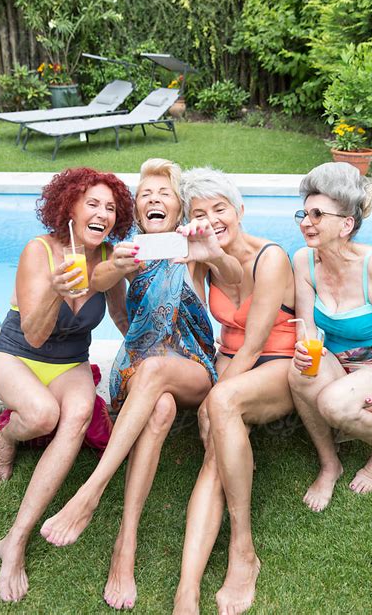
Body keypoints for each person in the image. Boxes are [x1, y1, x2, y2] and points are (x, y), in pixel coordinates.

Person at [39, 158, 242, 611]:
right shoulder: (128, 253)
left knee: (157, 374)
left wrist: (212, 253)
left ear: (179, 208)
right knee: (160, 407)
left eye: (164, 194)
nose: (153, 200)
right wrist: (118, 266)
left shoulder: (193, 245)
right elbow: (102, 285)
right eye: (145, 194)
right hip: (140, 366)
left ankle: (90, 492)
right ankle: (124, 545)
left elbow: (236, 279)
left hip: (189, 365)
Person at [0, 167, 134, 603]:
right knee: (39, 416)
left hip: (69, 360)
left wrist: (150, 347)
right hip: (18, 355)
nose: (102, 214)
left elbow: (122, 319)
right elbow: (32, 334)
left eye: (110, 208)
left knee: (75, 416)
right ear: (68, 206)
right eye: (92, 203)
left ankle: (14, 539)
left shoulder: (108, 258)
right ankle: (9, 437)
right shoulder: (41, 251)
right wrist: (54, 290)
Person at [173, 168, 296, 615]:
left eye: (220, 208)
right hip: (232, 362)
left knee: (220, 405)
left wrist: (211, 399)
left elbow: (256, 343)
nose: (212, 218)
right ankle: (187, 589)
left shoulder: (272, 257)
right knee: (213, 453)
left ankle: (243, 547)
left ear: (239, 210)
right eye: (200, 212)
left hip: (277, 362)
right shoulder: (205, 256)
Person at [288, 162, 372, 513]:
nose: (306, 222)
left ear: (346, 224)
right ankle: (330, 464)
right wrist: (303, 349)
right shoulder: (303, 261)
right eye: (304, 213)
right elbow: (307, 328)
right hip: (337, 361)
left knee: (334, 403)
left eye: (318, 214)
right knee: (297, 372)